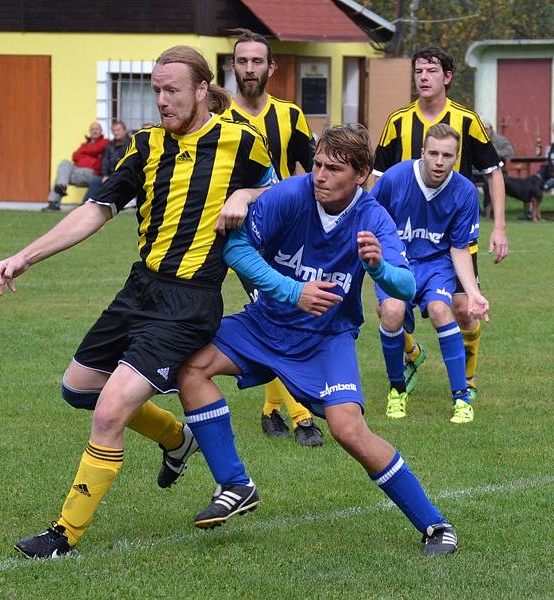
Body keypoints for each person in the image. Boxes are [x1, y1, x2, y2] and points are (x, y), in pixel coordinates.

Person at [0, 45, 275, 559]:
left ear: (200, 90)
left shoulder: (241, 140)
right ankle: (176, 438)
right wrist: (26, 255)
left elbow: (285, 192)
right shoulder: (144, 146)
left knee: (108, 412)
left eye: (172, 91)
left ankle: (63, 536)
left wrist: (248, 196)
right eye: (156, 91)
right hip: (139, 289)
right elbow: (96, 210)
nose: (162, 101)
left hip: (189, 303)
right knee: (77, 389)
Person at [177, 124, 458, 556]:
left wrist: (380, 268)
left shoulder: (372, 217)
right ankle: (235, 483)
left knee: (348, 430)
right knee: (191, 366)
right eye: (318, 165)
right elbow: (236, 249)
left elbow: (404, 286)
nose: (320, 176)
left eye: (333, 169)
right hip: (264, 324)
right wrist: (292, 292)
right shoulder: (292, 195)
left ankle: (435, 526)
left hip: (327, 339)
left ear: (362, 174)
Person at [373, 46, 508, 406]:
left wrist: (499, 227)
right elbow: (376, 178)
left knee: (462, 309)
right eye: (418, 70)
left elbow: (493, 172)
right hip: (403, 239)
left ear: (447, 77)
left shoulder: (466, 120)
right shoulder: (397, 121)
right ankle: (412, 354)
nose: (424, 77)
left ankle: (467, 380)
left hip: (453, 239)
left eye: (432, 70)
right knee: (388, 309)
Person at [222, 28, 322, 446]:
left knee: (275, 310)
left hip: (281, 233)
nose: (249, 69)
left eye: (256, 61)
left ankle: (280, 411)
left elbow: (318, 169)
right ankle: (296, 415)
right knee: (273, 310)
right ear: (232, 67)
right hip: (229, 235)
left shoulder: (290, 115)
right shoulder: (218, 118)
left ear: (271, 68)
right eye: (242, 61)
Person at [373, 124, 489, 424]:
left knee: (441, 310)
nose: (439, 161)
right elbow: (370, 219)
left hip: (437, 264)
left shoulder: (464, 191)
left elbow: (459, 248)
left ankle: (461, 398)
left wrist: (474, 293)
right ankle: (397, 389)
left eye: (447, 155)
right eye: (434, 153)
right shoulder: (395, 178)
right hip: (397, 260)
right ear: (422, 152)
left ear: (456, 157)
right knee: (392, 312)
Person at [43, 121, 108, 212]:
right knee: (64, 163)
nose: (94, 131)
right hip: (77, 172)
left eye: (96, 129)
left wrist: (84, 153)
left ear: (101, 131)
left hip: (91, 173)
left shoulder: (105, 142)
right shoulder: (85, 144)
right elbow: (75, 156)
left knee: (62, 175)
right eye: (92, 129)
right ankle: (60, 189)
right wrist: (88, 154)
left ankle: (54, 201)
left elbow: (96, 149)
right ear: (89, 131)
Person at [84, 120, 131, 203]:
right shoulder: (109, 146)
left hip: (125, 176)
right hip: (110, 176)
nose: (116, 133)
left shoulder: (131, 143)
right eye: (114, 131)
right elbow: (105, 162)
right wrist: (105, 175)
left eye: (118, 130)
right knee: (96, 181)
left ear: (124, 130)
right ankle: (86, 204)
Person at [480, 120, 514, 219]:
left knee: (489, 183)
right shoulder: (476, 138)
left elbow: (510, 151)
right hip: (477, 170)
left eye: (486, 129)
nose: (485, 131)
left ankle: (491, 211)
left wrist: (494, 153)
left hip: (496, 170)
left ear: (491, 129)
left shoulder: (500, 140)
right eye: (482, 129)